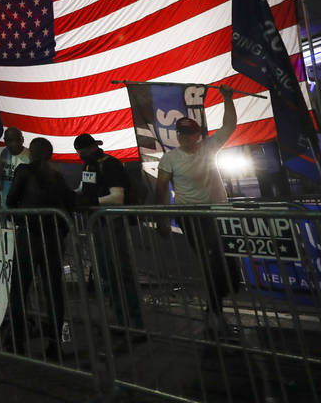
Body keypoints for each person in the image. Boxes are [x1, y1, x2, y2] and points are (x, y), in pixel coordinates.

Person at [153, 88, 239, 334]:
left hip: (218, 214)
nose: (183, 136)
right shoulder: (170, 159)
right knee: (212, 260)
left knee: (227, 262)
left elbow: (229, 125)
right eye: (180, 132)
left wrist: (228, 98)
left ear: (197, 135)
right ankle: (214, 312)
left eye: (188, 133)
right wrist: (163, 220)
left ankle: (215, 308)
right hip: (192, 216)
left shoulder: (209, 148)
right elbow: (161, 191)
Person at [5, 138, 78, 358]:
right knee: (53, 291)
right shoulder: (57, 176)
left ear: (31, 153)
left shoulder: (24, 171)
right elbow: (71, 202)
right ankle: (55, 343)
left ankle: (17, 340)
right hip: (53, 238)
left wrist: (20, 219)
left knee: (19, 289)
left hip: (30, 235)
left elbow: (11, 200)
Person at [74, 132, 145, 347]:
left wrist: (90, 202)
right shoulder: (89, 166)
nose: (81, 155)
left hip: (113, 224)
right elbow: (83, 189)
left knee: (121, 273)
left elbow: (117, 197)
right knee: (107, 273)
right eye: (80, 152)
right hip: (99, 225)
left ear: (92, 148)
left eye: (84, 151)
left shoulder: (110, 164)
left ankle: (134, 324)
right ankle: (120, 319)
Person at [0, 128, 30, 208]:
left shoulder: (30, 156)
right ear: (5, 141)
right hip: (2, 204)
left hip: (21, 205)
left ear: (22, 139)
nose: (13, 144)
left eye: (16, 140)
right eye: (8, 140)